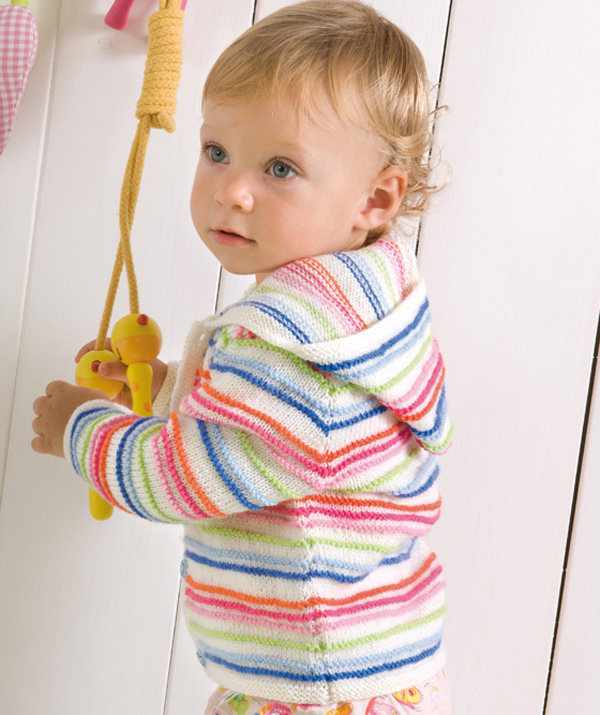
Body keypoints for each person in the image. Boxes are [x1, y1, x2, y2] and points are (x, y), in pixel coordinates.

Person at [32, 1, 453, 713]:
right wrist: (165, 385)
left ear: (376, 199)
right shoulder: (350, 320)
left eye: (280, 167)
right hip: (360, 671)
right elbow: (265, 440)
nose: (231, 189)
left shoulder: (295, 351)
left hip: (318, 691)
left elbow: (182, 478)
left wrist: (82, 429)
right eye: (216, 152)